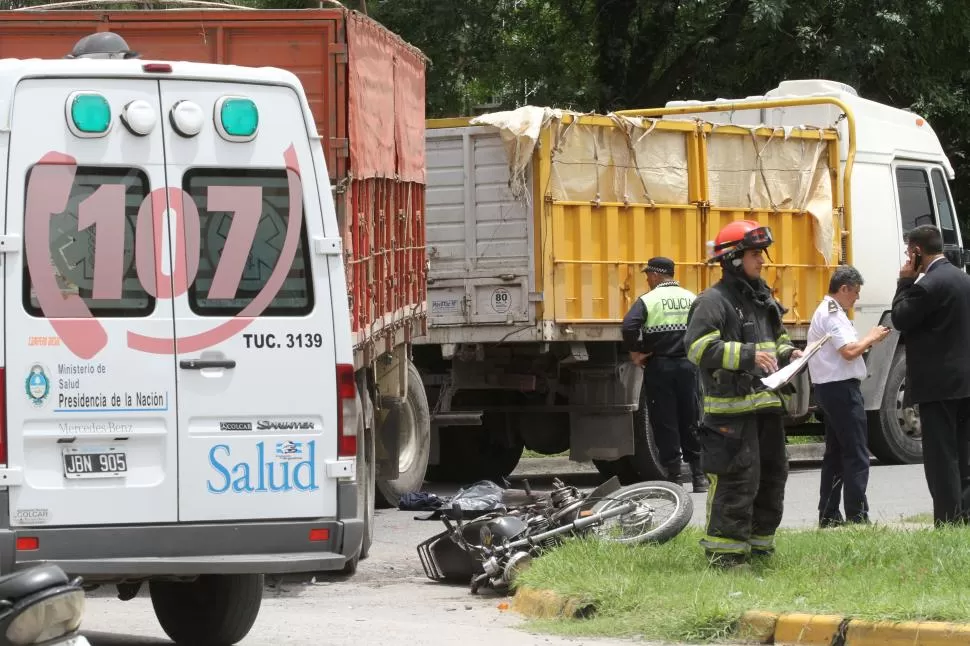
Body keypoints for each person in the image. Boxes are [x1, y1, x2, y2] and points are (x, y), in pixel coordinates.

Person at [683, 220, 802, 569]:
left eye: (761, 254)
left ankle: (760, 550)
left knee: (771, 478)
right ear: (734, 259)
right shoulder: (712, 301)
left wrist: (789, 354)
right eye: (754, 254)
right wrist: (747, 356)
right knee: (737, 482)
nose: (761, 261)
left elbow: (777, 338)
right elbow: (698, 348)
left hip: (765, 408)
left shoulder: (762, 297)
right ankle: (725, 557)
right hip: (729, 416)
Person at [890, 224, 970, 526]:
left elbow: (900, 319)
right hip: (965, 382)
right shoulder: (964, 280)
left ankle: (949, 520)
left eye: (910, 250)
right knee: (964, 451)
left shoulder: (927, 286)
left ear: (917, 251)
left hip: (938, 385)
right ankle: (965, 513)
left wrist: (904, 282)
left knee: (942, 457)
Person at [807, 265, 890, 528]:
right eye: (855, 292)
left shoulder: (833, 311)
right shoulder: (832, 313)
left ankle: (829, 514)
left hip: (832, 389)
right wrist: (871, 337)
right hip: (841, 389)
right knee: (856, 453)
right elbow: (849, 351)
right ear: (843, 289)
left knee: (836, 453)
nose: (857, 298)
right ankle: (857, 516)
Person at [621, 257, 708, 493]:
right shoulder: (691, 298)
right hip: (689, 366)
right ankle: (699, 477)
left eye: (648, 275)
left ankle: (675, 477)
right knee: (691, 418)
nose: (647, 279)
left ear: (658, 275)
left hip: (660, 367)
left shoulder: (648, 300)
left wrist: (637, 351)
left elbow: (629, 326)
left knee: (665, 420)